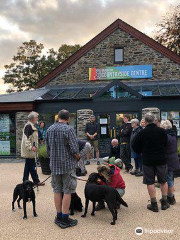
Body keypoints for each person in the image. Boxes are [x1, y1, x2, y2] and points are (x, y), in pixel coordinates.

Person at [46, 109, 80, 229]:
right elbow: (75, 149)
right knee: (67, 191)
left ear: (58, 117)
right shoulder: (68, 129)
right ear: (68, 118)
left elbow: (48, 149)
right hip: (67, 166)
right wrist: (78, 158)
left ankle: (59, 216)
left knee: (56, 190)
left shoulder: (49, 129)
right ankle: (65, 218)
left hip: (54, 166)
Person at [132, 113, 169, 212]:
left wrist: (141, 152)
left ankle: (154, 204)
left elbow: (134, 145)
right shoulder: (162, 131)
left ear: (146, 122)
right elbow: (166, 144)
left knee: (150, 182)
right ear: (154, 121)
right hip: (161, 159)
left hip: (148, 160)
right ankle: (164, 203)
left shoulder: (142, 133)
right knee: (163, 181)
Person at [21, 111, 45, 186]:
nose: (37, 119)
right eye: (36, 117)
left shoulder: (32, 126)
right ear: (32, 118)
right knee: (31, 166)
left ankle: (25, 180)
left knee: (28, 166)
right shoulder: (29, 126)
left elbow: (32, 137)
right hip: (30, 150)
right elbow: (26, 139)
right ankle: (36, 181)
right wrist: (31, 147)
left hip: (31, 150)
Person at [160, 120, 180, 205]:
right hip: (173, 158)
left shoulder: (166, 136)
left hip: (168, 159)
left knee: (168, 179)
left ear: (164, 127)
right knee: (170, 178)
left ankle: (171, 198)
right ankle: (170, 196)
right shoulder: (173, 134)